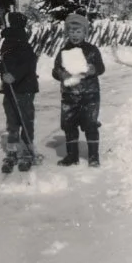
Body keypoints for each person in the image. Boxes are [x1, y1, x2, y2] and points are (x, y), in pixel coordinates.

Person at [0, 12, 39, 173]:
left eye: (4, 22)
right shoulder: (8, 42)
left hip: (25, 89)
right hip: (9, 89)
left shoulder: (21, 41)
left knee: (26, 120)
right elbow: (5, 68)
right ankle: (13, 151)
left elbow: (29, 64)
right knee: (12, 122)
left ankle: (27, 152)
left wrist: (14, 76)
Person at [52, 13, 105, 167]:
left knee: (91, 124)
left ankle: (94, 156)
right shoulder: (63, 51)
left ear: (84, 33)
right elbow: (55, 70)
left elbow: (101, 68)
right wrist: (61, 73)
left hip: (90, 94)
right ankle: (72, 156)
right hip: (69, 95)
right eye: (72, 31)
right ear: (67, 33)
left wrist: (93, 69)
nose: (75, 35)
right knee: (69, 125)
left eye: (78, 31)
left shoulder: (92, 50)